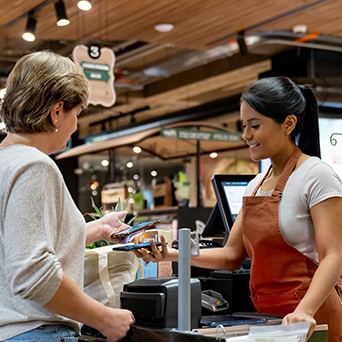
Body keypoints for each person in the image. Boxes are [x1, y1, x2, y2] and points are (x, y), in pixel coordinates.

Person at [135, 76, 342, 341]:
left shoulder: (317, 175)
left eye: (255, 125)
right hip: (267, 319)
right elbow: (231, 255)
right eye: (244, 125)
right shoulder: (254, 186)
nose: (246, 135)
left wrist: (305, 310)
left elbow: (333, 256)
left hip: (312, 320)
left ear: (288, 124)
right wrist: (171, 254)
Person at [0, 51, 134, 341]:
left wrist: (94, 230)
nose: (76, 125)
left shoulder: (6, 162)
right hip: (36, 331)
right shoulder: (34, 166)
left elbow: (14, 246)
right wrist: (105, 318)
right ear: (57, 112)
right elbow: (32, 274)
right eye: (78, 113)